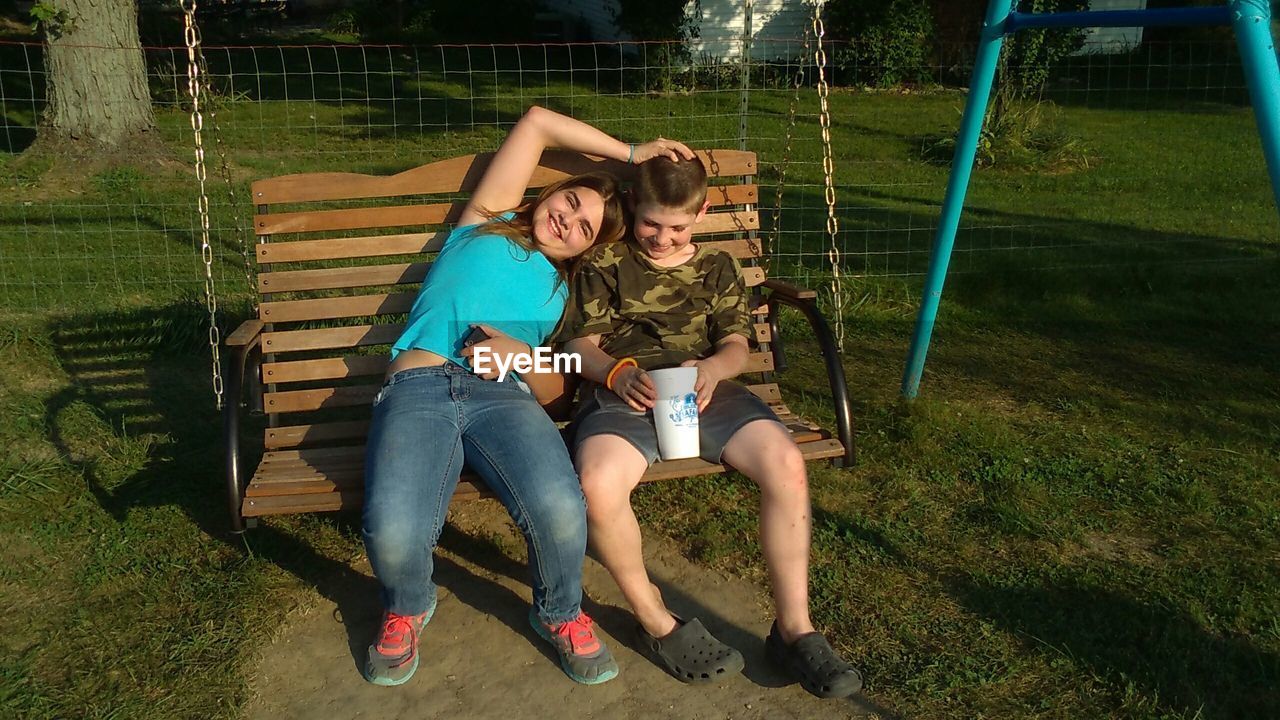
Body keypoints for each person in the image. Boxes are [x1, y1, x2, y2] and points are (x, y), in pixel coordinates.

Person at [360, 105, 694, 688]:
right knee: (392, 529)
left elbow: (560, 387)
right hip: (417, 386)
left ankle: (559, 612)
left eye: (585, 229)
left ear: (585, 251)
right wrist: (633, 154)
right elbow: (538, 122)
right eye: (570, 204)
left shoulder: (563, 293)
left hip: (504, 398)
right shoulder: (483, 222)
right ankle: (408, 605)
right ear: (552, 194)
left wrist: (526, 356)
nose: (568, 222)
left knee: (562, 508)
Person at [559, 155, 864, 698]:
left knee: (786, 464)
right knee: (597, 484)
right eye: (651, 223)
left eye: (677, 227)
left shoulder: (717, 266)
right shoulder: (608, 261)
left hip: (705, 392)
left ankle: (795, 630)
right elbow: (580, 345)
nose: (660, 237)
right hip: (624, 392)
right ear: (633, 206)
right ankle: (656, 620)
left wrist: (714, 370)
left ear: (700, 213)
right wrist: (615, 373)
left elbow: (735, 345)